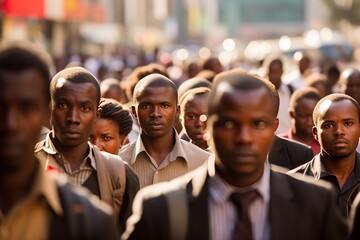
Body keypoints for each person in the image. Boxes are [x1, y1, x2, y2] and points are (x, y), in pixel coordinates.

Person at [122, 70, 347, 240]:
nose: (244, 137)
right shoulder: (159, 209)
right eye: (229, 124)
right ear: (207, 127)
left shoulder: (314, 204)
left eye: (257, 124)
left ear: (274, 128)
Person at [0, 41, 118, 239]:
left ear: (46, 114)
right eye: (1, 107)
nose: (11, 123)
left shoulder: (91, 222)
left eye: (26, 108)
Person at [35, 66, 139, 233]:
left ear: (96, 115)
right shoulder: (25, 165)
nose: (73, 118)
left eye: (84, 108)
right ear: (50, 109)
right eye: (62, 105)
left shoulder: (119, 174)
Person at [119, 74, 211, 188]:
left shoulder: (204, 162)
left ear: (177, 111)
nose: (156, 114)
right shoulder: (118, 163)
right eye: (146, 106)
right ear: (133, 111)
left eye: (164, 105)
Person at [289, 93, 360, 218]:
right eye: (329, 125)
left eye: (348, 123)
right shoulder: (291, 185)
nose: (339, 131)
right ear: (316, 133)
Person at [279, 87, 321, 155]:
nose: (309, 122)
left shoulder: (325, 146)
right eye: (304, 116)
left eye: (313, 117)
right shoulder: (277, 144)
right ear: (291, 114)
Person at [264, 56, 292, 134]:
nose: (273, 76)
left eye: (276, 72)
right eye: (270, 72)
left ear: (282, 71)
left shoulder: (291, 90)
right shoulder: (262, 93)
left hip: (287, 140)